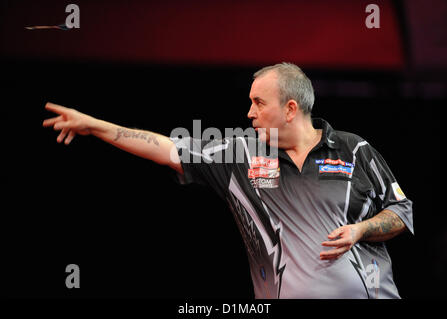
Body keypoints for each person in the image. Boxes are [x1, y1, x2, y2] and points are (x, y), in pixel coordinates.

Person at [43, 62, 413, 299]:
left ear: (290, 109)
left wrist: (360, 230)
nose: (248, 112)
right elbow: (167, 147)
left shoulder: (354, 148)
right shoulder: (241, 154)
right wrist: (95, 125)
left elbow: (402, 211)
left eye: (258, 102)